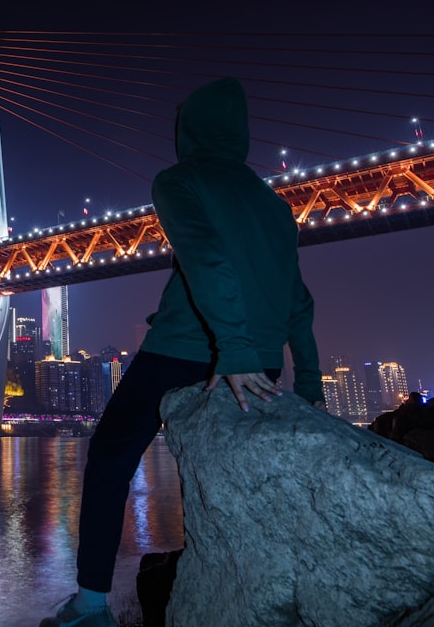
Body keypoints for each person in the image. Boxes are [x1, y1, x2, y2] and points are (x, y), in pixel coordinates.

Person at [39, 77, 324, 627]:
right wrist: (307, 381)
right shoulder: (275, 203)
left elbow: (205, 258)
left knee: (110, 457)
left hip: (188, 352)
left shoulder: (179, 180)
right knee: (224, 473)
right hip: (261, 364)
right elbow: (299, 298)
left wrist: (231, 349)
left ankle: (91, 606)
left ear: (186, 130)